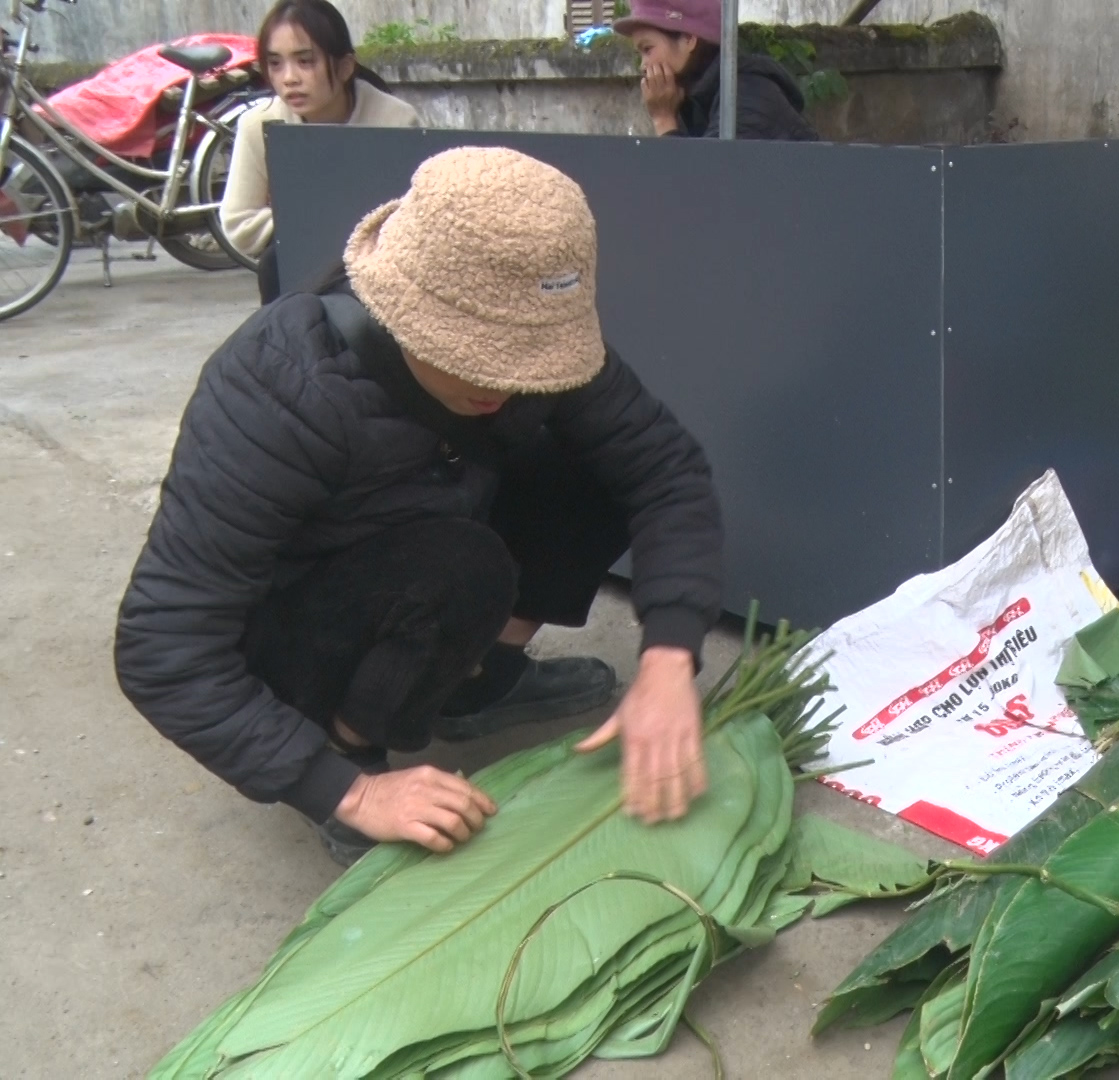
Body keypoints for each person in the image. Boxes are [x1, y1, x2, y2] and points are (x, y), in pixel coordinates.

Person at [119, 146, 724, 866]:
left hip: (426, 525)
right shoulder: (279, 388)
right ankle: (351, 745)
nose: (510, 380)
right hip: (295, 632)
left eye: (532, 357)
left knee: (591, 466)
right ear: (403, 310)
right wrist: (341, 788)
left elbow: (666, 469)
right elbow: (162, 647)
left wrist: (668, 656)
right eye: (481, 357)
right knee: (461, 568)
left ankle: (481, 684)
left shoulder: (538, 341)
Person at [220, 0, 421, 306]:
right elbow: (238, 223)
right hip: (299, 277)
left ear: (344, 67)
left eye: (305, 61)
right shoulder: (257, 126)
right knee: (274, 262)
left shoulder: (395, 120)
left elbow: (413, 218)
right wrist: (310, 222)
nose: (289, 78)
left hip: (379, 273)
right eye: (275, 64)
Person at [614, 0, 820, 142]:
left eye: (648, 49)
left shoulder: (747, 95)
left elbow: (703, 190)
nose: (643, 65)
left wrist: (664, 120)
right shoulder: (695, 99)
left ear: (688, 39)